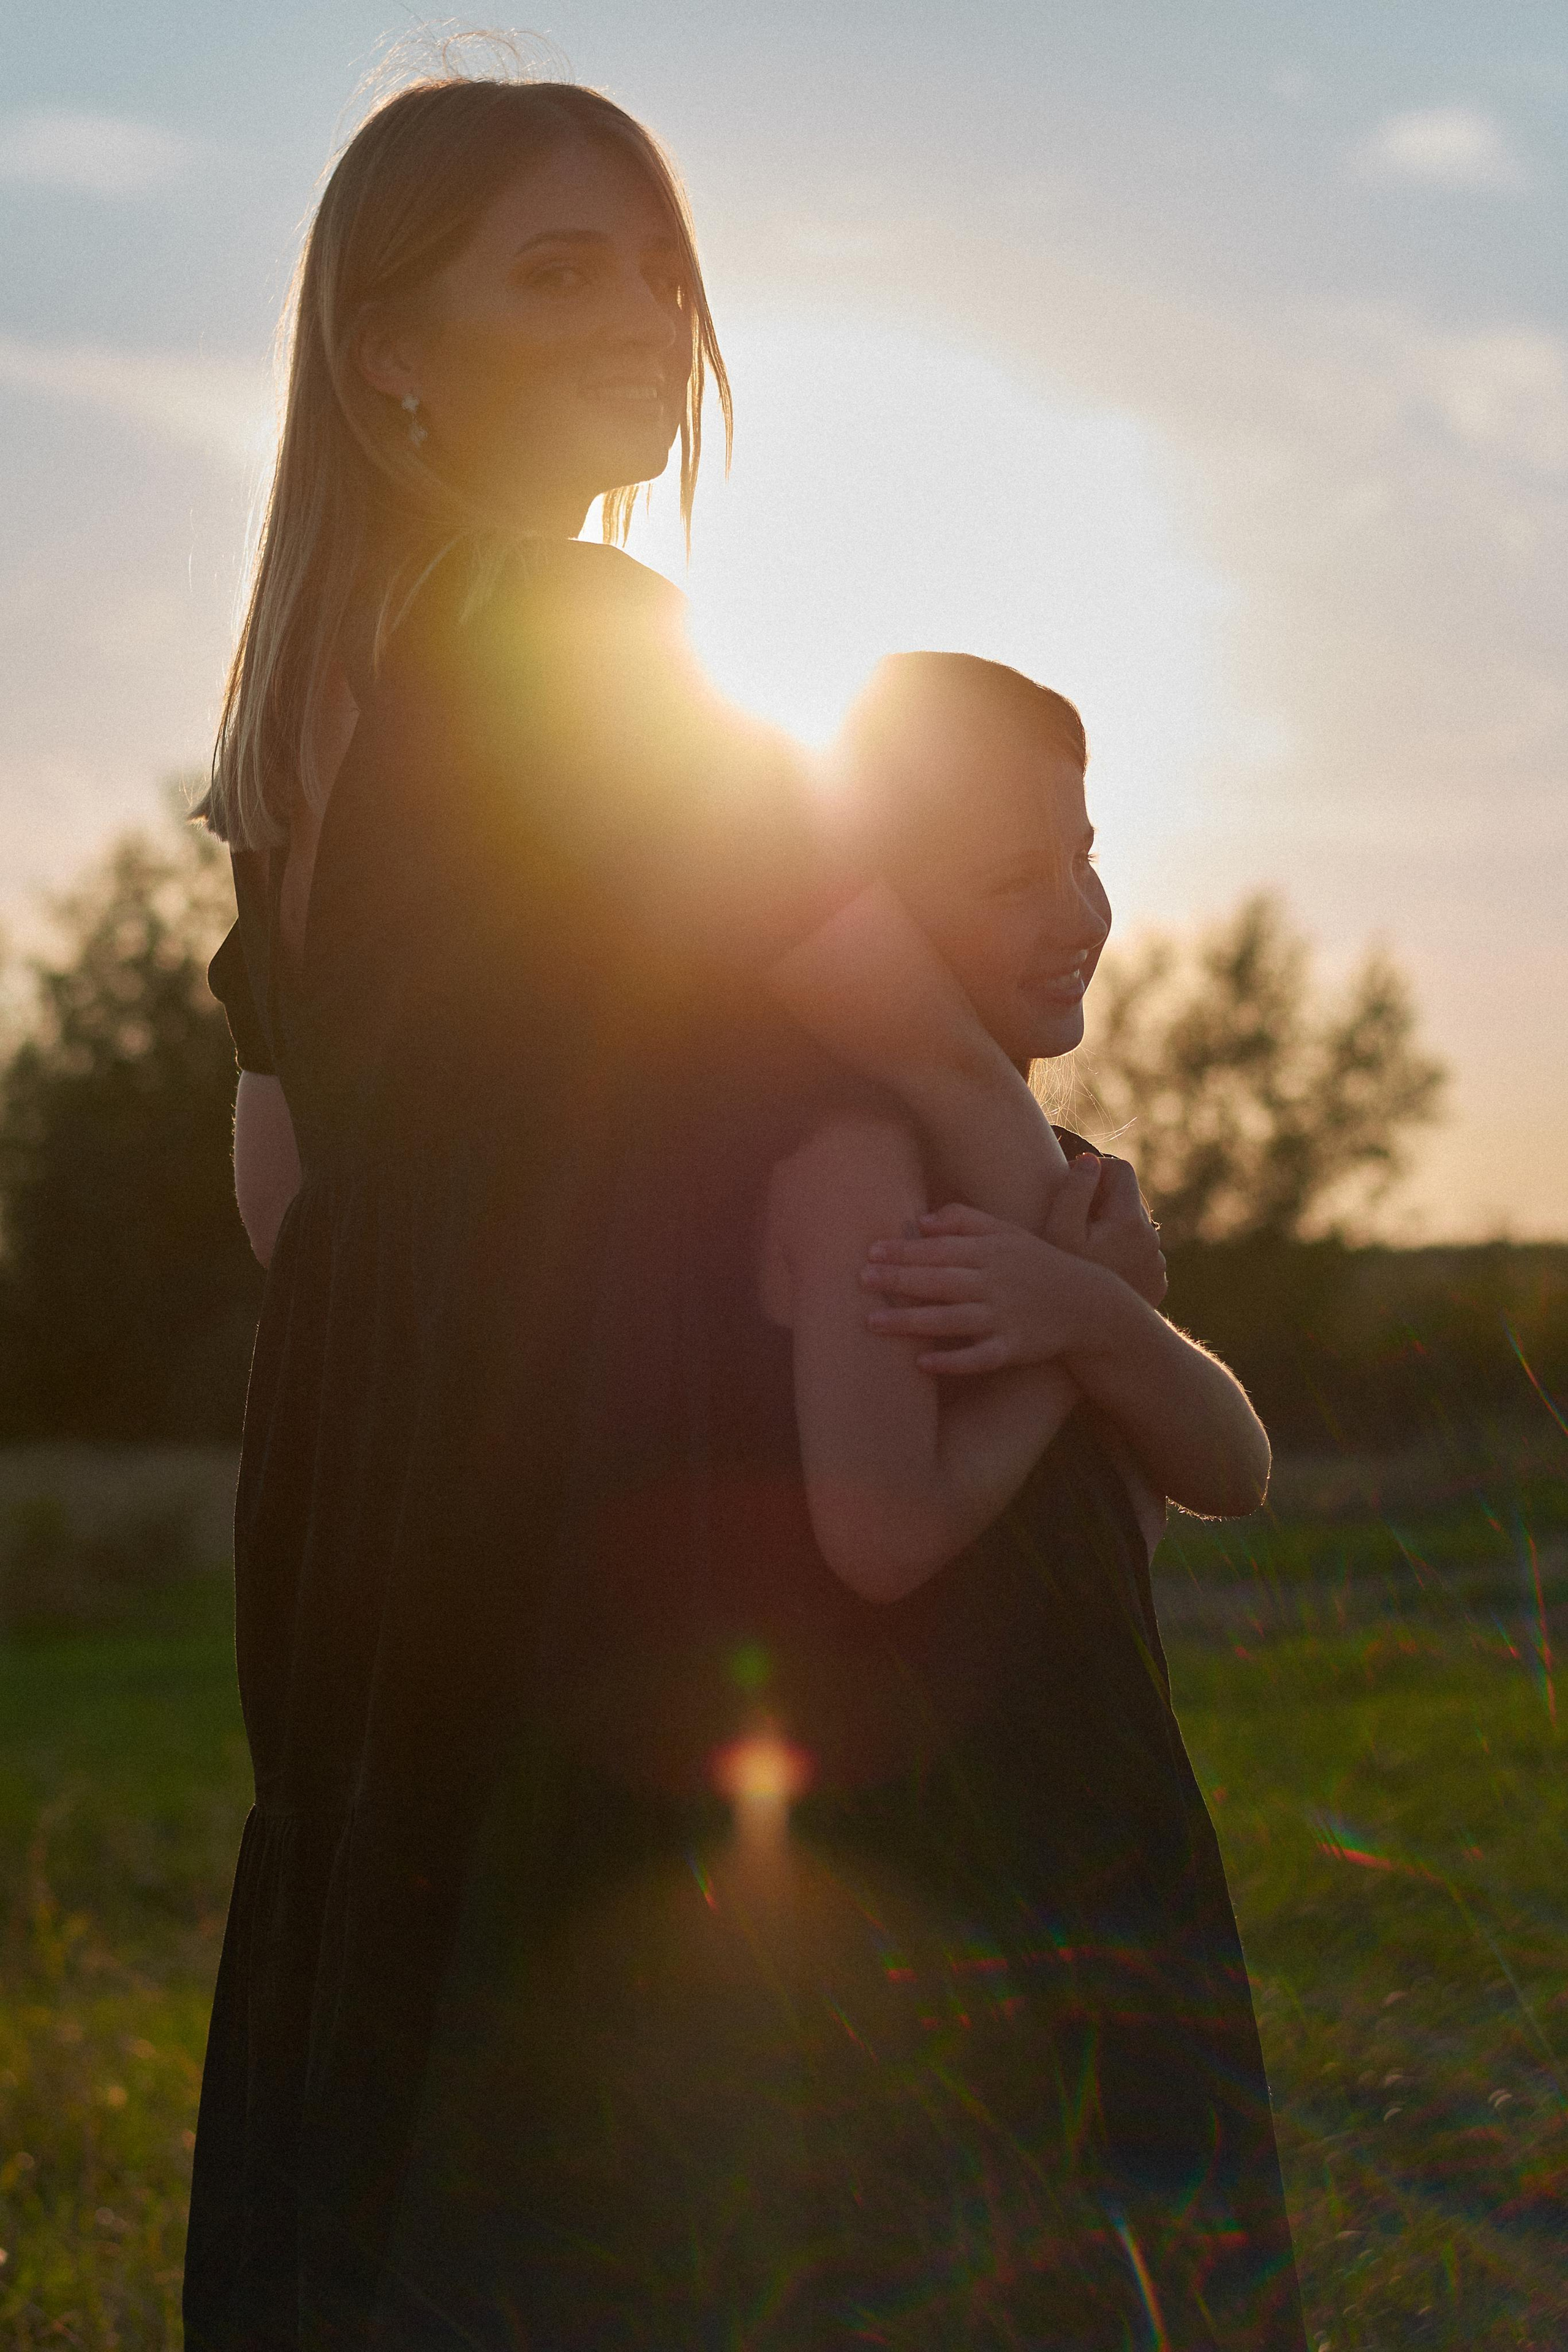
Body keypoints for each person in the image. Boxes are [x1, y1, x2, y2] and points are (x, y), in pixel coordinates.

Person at [186, 69, 1085, 2351]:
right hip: (626, 1456)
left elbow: (283, 1195)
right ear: (387, 346)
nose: (642, 312)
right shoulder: (585, 635)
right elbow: (909, 1046)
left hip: (380, 1480)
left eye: (659, 262)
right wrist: (1053, 1248)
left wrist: (442, 1339)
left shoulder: (304, 714)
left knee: (437, 2038)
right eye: (558, 265)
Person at [368, 662, 1307, 2346]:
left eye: (1085, 853)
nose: (1077, 911)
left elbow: (1223, 1475)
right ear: (866, 917)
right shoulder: (851, 1163)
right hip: (961, 1862)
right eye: (1010, 881)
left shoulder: (1046, 1179)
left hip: (1106, 1820)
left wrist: (1103, 1319)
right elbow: (885, 1531)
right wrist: (1070, 1333)